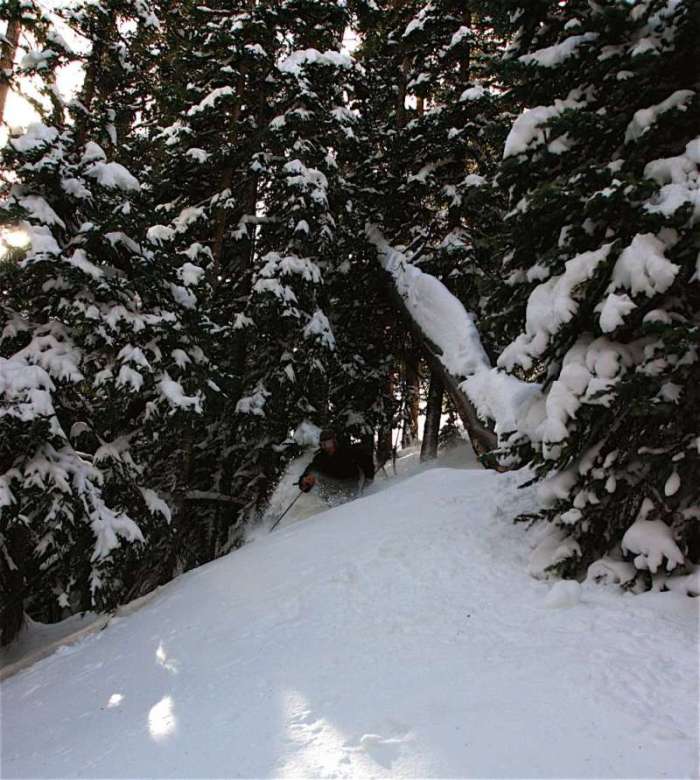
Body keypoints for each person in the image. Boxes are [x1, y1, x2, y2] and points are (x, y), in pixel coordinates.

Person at [298, 428, 375, 505]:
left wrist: (369, 478)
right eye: (323, 444)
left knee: (351, 503)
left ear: (334, 442)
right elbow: (310, 470)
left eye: (328, 443)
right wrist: (304, 482)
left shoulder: (347, 451)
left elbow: (366, 460)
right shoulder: (319, 458)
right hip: (332, 490)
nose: (327, 447)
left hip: (350, 485)